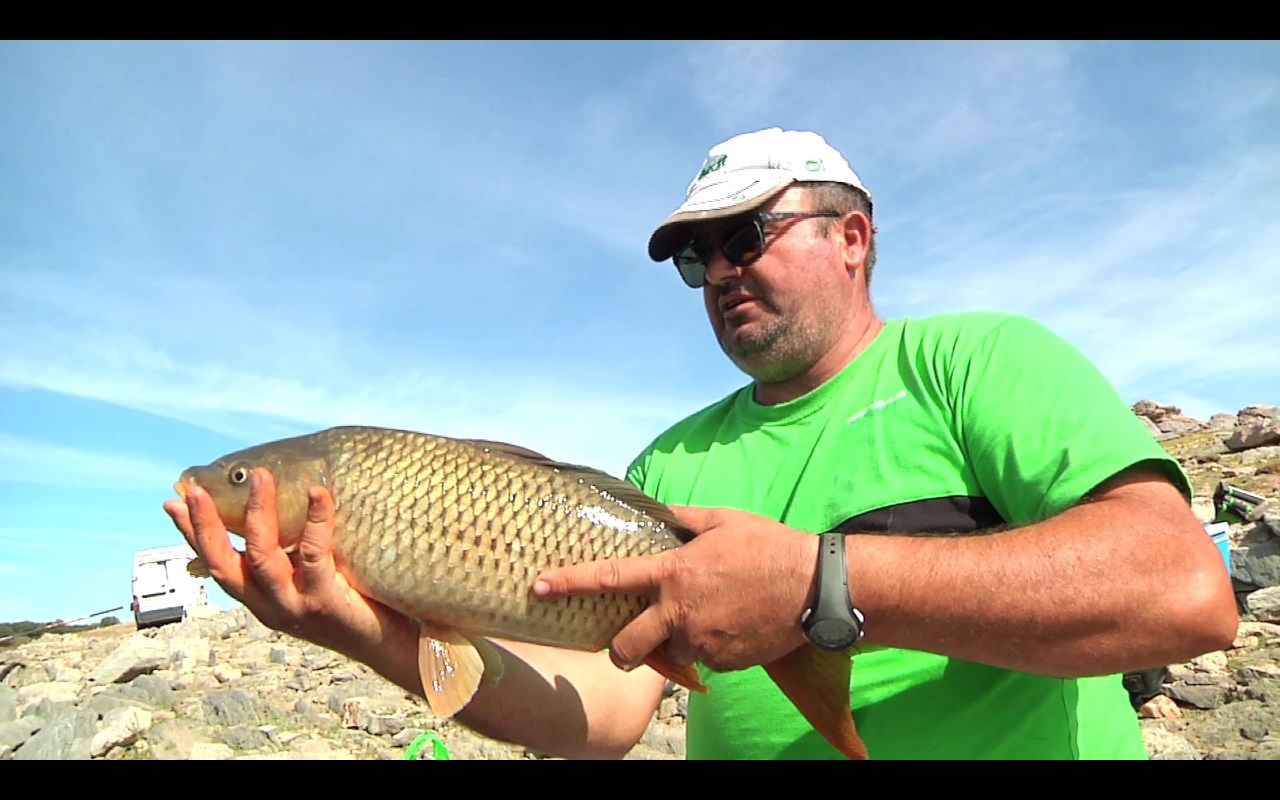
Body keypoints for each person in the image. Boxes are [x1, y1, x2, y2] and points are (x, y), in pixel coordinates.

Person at [165, 127, 1239, 760]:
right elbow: (608, 712)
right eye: (695, 259)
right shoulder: (665, 468)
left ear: (852, 238)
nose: (720, 271)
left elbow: (1183, 591)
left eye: (743, 237)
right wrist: (366, 635)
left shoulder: (978, 360)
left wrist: (822, 585)